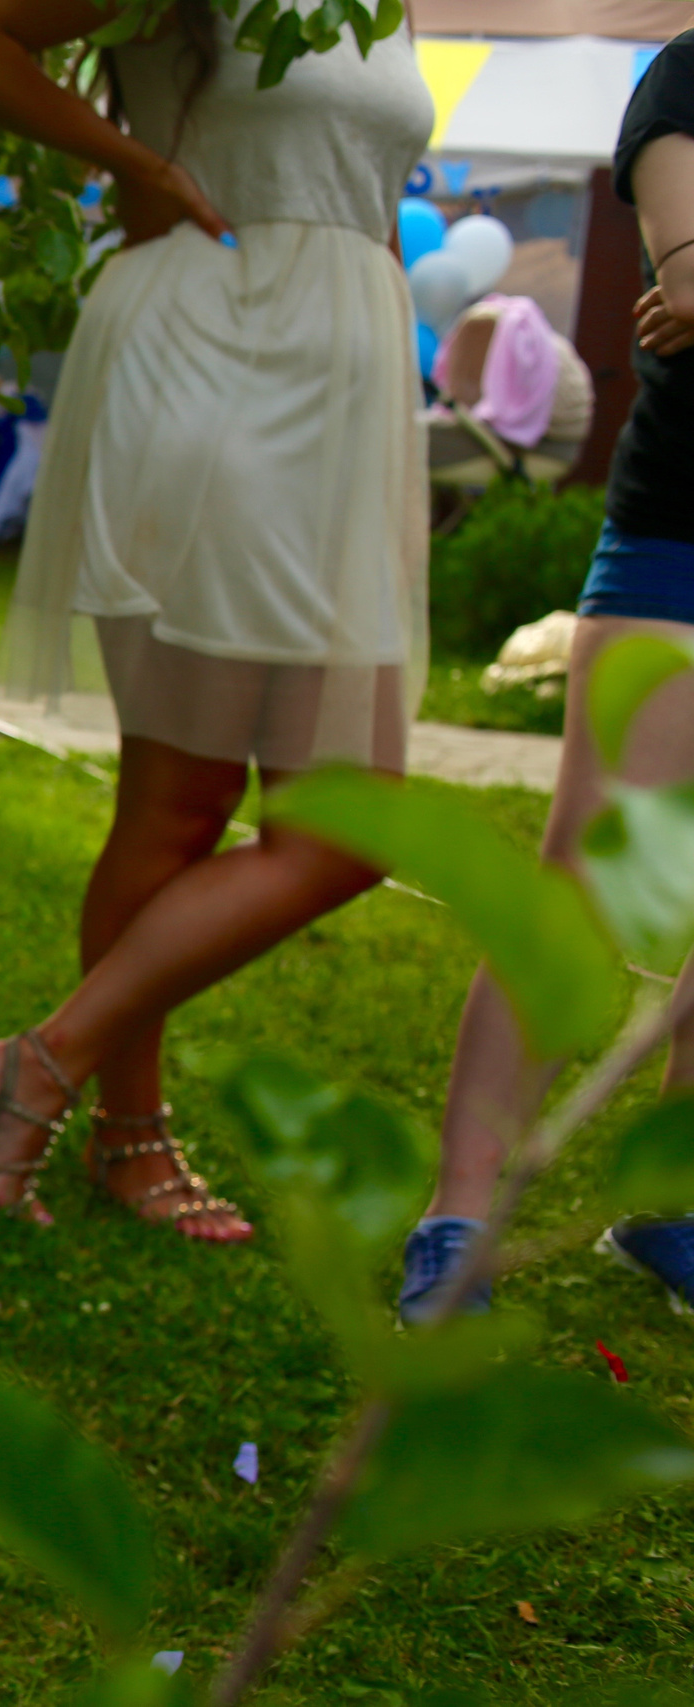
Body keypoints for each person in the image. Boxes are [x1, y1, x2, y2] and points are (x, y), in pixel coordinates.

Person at [0, 0, 434, 1241]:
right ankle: (117, 1133)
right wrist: (134, 163)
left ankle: (37, 1069)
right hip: (221, 356)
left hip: (335, 377)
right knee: (187, 803)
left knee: (335, 815)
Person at [399, 29, 694, 1323]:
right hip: (686, 531)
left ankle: (680, 1214)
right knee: (591, 872)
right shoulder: (684, 77)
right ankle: (458, 1210)